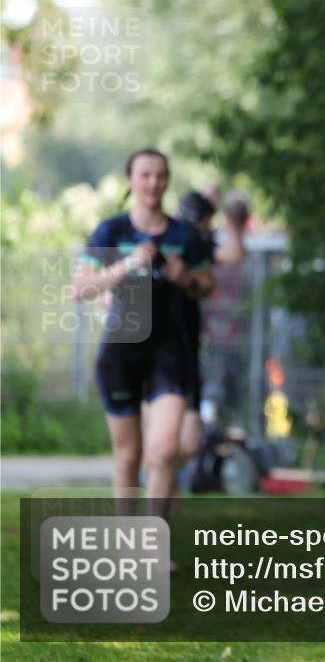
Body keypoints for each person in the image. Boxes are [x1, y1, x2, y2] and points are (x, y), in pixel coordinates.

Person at [71, 148, 214, 519]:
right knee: (129, 454)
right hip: (121, 352)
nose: (153, 183)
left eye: (160, 175)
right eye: (145, 175)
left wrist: (186, 278)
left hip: (170, 352)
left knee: (164, 449)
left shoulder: (185, 235)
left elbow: (206, 284)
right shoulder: (111, 231)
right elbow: (80, 289)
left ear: (167, 181)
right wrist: (127, 265)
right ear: (131, 181)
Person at [170, 187, 248, 488]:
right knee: (161, 441)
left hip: (189, 349)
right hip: (158, 351)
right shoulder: (166, 240)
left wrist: (233, 220)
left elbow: (233, 253)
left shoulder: (197, 243)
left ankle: (163, 481)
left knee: (187, 442)